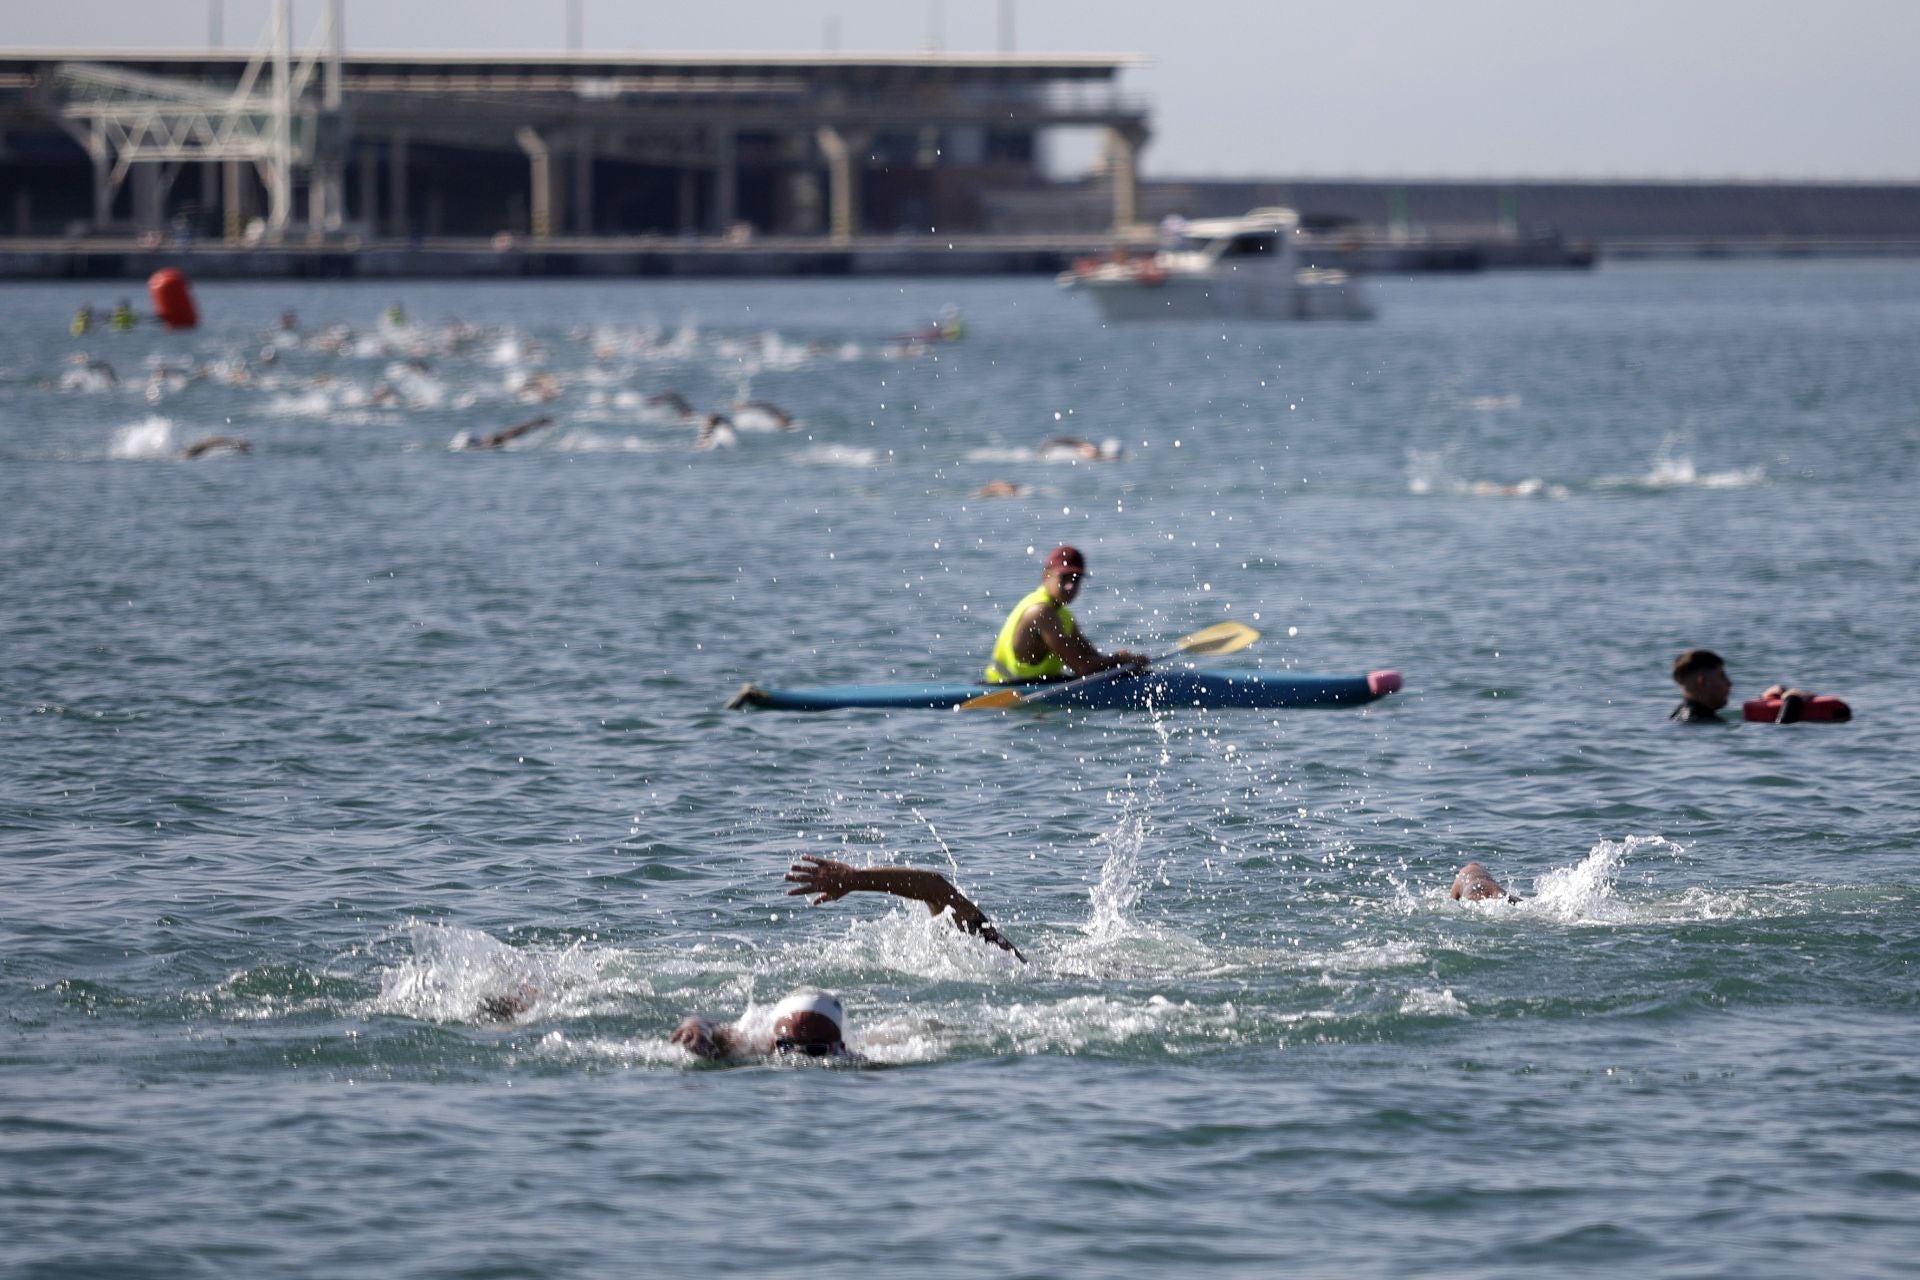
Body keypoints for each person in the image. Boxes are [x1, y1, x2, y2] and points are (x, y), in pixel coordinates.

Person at [784, 854, 1024, 961]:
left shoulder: (1009, 962)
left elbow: (937, 888)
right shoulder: (1010, 961)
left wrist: (853, 879)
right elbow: (936, 888)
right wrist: (854, 879)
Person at [983, 544, 1145, 684]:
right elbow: (1083, 668)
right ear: (1047, 576)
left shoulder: (1063, 615)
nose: (1070, 586)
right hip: (1003, 689)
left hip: (1035, 684)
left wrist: (1127, 665)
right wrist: (1119, 660)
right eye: (1064, 578)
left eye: (1076, 579)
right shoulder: (1041, 612)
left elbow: (1092, 657)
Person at [671, 989, 850, 1061]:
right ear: (773, 1040)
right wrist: (696, 1028)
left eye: (814, 1049)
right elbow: (708, 1026)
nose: (797, 1055)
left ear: (839, 1047)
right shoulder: (753, 1042)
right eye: (785, 1046)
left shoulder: (851, 1059)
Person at [1450, 861, 1520, 903]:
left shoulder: (1460, 876)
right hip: (1494, 889)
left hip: (1472, 891)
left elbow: (1452, 901)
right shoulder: (1484, 872)